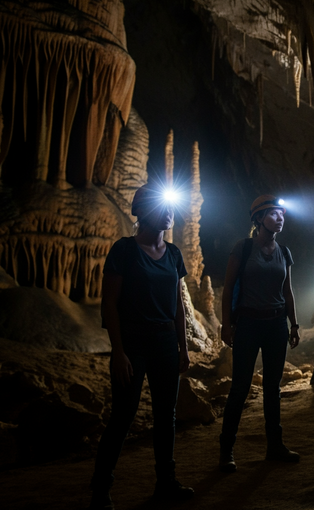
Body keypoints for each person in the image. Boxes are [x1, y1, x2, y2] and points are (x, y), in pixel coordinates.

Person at [88, 183, 194, 510]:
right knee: (123, 414)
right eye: (162, 208)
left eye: (171, 207)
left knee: (167, 415)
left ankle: (166, 481)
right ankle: (101, 486)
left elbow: (177, 304)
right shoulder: (124, 250)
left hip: (164, 340)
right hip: (132, 341)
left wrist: (183, 346)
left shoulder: (174, 254)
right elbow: (110, 304)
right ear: (145, 213)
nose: (169, 213)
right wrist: (117, 352)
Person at [219, 194, 301, 473]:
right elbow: (228, 288)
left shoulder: (284, 252)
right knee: (240, 388)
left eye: (282, 215)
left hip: (276, 324)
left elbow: (288, 291)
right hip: (249, 325)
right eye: (274, 214)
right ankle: (226, 450)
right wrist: (226, 324)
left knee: (272, 388)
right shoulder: (242, 249)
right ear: (258, 219)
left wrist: (294, 324)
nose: (281, 218)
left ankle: (274, 446)